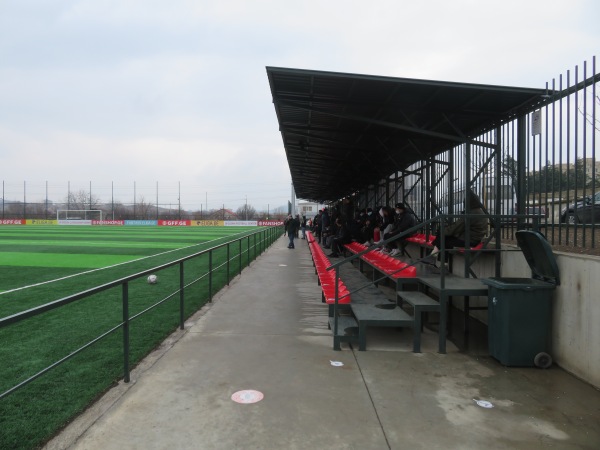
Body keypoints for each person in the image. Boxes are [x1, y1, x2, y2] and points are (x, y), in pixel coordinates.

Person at [423, 190, 487, 264]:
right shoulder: (479, 211)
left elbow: (457, 227)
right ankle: (437, 261)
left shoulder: (471, 214)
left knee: (444, 238)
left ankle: (436, 259)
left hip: (470, 240)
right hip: (474, 239)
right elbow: (459, 226)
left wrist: (443, 231)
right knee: (444, 238)